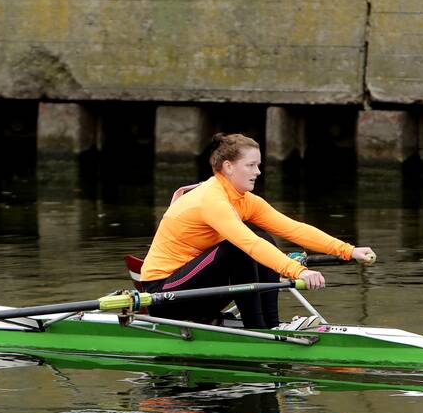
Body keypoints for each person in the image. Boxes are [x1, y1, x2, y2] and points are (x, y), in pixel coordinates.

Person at [140, 133, 375, 329]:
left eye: (258, 165)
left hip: (195, 291)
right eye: (251, 165)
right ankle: (258, 330)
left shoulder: (244, 200)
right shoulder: (210, 199)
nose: (258, 172)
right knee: (238, 248)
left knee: (265, 238)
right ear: (228, 167)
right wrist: (298, 271)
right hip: (165, 294)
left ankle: (270, 326)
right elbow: (248, 244)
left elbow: (293, 229)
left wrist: (348, 250)